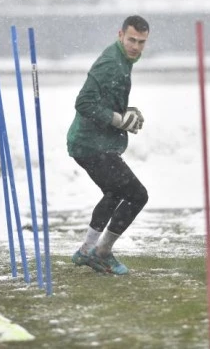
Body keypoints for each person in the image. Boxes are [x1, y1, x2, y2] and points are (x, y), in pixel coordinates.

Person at [66, 15, 150, 275]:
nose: (135, 46)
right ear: (120, 35)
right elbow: (84, 103)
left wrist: (127, 114)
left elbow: (105, 99)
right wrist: (118, 119)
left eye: (141, 42)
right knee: (137, 195)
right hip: (90, 144)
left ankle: (86, 251)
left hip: (95, 142)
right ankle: (101, 253)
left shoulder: (123, 60)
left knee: (114, 193)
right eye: (131, 39)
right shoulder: (111, 63)